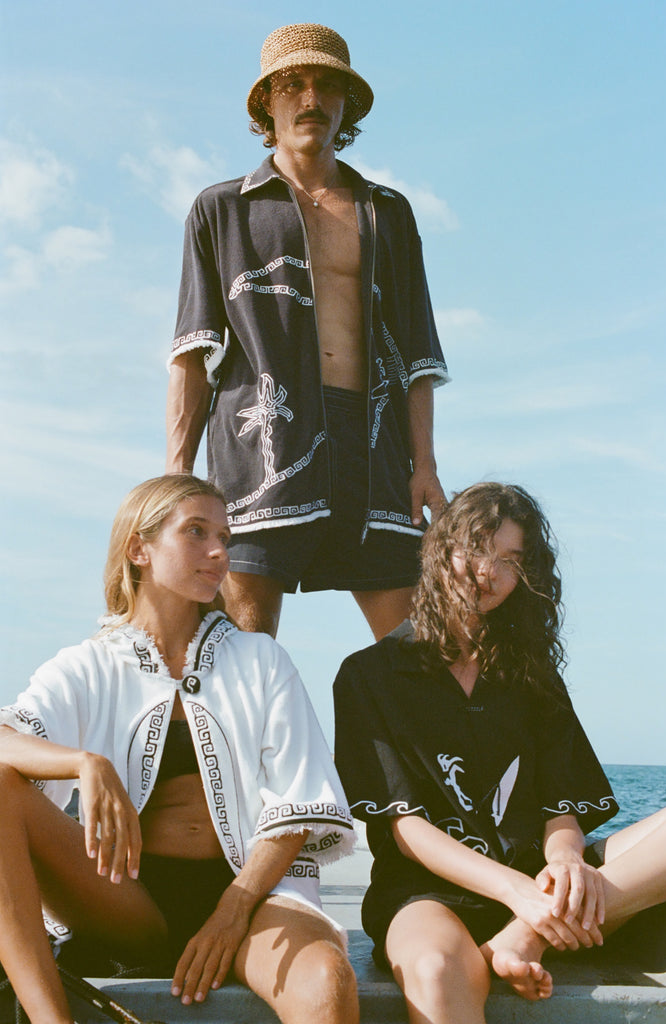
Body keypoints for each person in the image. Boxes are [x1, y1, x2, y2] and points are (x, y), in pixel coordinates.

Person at [0, 475, 359, 1024]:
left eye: (224, 536)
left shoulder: (260, 660)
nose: (219, 551)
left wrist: (233, 909)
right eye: (196, 532)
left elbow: (300, 800)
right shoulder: (89, 666)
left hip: (254, 895)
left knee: (325, 983)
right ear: (138, 549)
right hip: (126, 899)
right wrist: (82, 761)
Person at [333, 482, 666, 1024]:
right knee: (433, 970)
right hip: (429, 893)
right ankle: (534, 926)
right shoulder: (369, 674)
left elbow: (559, 805)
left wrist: (565, 862)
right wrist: (517, 890)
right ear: (440, 550)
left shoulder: (532, 673)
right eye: (475, 550)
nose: (487, 573)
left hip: (541, 884)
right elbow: (406, 829)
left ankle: (523, 939)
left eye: (509, 560)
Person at [166, 22, 449, 640]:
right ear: (267, 101)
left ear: (347, 103)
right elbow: (191, 352)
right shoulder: (222, 209)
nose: (310, 98)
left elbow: (420, 353)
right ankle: (246, 742)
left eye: (326, 85)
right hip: (259, 443)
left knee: (415, 648)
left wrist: (424, 462)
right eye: (293, 84)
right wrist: (177, 479)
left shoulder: (388, 212)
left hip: (375, 447)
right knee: (244, 642)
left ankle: (395, 742)